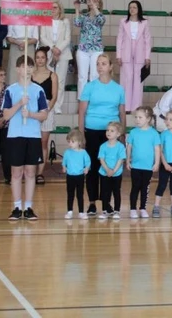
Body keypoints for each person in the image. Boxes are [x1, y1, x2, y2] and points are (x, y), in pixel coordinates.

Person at [78, 54, 126, 216]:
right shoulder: (89, 87)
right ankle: (92, 203)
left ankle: (107, 203)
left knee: (109, 168)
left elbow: (122, 113)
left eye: (104, 63)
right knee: (92, 167)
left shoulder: (119, 89)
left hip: (111, 133)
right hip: (92, 131)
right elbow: (82, 112)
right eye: (98, 64)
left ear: (111, 66)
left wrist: (122, 133)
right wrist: (81, 134)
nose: (100, 67)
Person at [2, 56, 49, 221]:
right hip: (15, 135)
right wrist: (19, 104)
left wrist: (30, 114)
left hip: (33, 135)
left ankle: (28, 207)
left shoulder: (38, 90)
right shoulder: (10, 90)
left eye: (30, 66)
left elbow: (44, 115)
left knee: (30, 172)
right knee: (16, 173)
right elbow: (6, 115)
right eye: (23, 66)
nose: (27, 69)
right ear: (17, 69)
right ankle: (16, 207)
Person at [116, 0, 152, 113]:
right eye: (130, 7)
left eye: (134, 7)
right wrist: (118, 55)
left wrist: (147, 56)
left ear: (138, 9)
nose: (132, 9)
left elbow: (147, 40)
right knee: (126, 79)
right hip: (126, 51)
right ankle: (125, 107)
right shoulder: (123, 22)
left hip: (140, 53)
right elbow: (119, 38)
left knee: (138, 80)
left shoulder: (145, 22)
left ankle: (136, 107)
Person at [126, 106, 161, 219]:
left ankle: (142, 208)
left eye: (140, 117)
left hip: (147, 167)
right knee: (135, 187)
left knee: (144, 188)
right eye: (136, 117)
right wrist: (128, 160)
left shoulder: (154, 133)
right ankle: (132, 209)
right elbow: (129, 147)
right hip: (135, 166)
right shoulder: (133, 132)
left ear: (148, 119)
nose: (137, 119)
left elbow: (157, 149)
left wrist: (156, 163)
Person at [39, 1, 72, 115]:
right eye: (51, 8)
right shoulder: (45, 20)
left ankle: (58, 106)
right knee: (49, 80)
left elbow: (67, 38)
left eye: (55, 7)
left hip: (63, 53)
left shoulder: (65, 21)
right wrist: (53, 48)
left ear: (60, 9)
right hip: (49, 53)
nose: (53, 9)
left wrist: (59, 49)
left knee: (60, 80)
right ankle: (48, 104)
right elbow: (42, 37)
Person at [32, 47, 59, 184]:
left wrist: (46, 110)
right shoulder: (30, 74)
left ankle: (40, 173)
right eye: (38, 57)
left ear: (46, 59)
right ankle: (31, 171)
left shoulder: (53, 75)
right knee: (32, 142)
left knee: (43, 142)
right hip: (32, 110)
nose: (40, 60)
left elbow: (54, 96)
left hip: (47, 108)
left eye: (42, 57)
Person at [73, 0, 105, 99]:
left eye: (96, 1)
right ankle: (82, 99)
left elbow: (101, 20)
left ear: (99, 5)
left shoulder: (101, 16)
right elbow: (77, 23)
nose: (93, 2)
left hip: (96, 50)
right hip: (83, 49)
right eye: (91, 1)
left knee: (94, 75)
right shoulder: (84, 16)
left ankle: (94, 99)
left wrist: (94, 7)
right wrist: (77, 8)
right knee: (82, 76)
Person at [96, 121, 127, 220]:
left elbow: (121, 160)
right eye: (107, 130)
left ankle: (117, 211)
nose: (108, 132)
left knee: (116, 192)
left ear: (118, 134)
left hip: (116, 174)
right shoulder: (103, 146)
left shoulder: (121, 146)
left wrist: (113, 171)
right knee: (105, 192)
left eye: (112, 131)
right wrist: (107, 170)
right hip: (104, 173)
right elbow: (101, 159)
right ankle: (105, 210)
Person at [5, 0, 39, 85]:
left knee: (28, 69)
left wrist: (26, 43)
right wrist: (18, 42)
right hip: (15, 46)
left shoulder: (33, 19)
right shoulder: (12, 18)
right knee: (14, 70)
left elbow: (35, 38)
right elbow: (9, 36)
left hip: (29, 46)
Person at [62, 129, 91, 220]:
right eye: (69, 142)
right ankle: (69, 211)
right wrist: (64, 167)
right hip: (70, 176)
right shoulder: (67, 152)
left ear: (79, 142)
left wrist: (87, 168)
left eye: (72, 141)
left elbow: (88, 162)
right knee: (70, 194)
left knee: (80, 194)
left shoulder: (83, 152)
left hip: (80, 176)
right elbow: (64, 161)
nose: (70, 144)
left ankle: (81, 212)